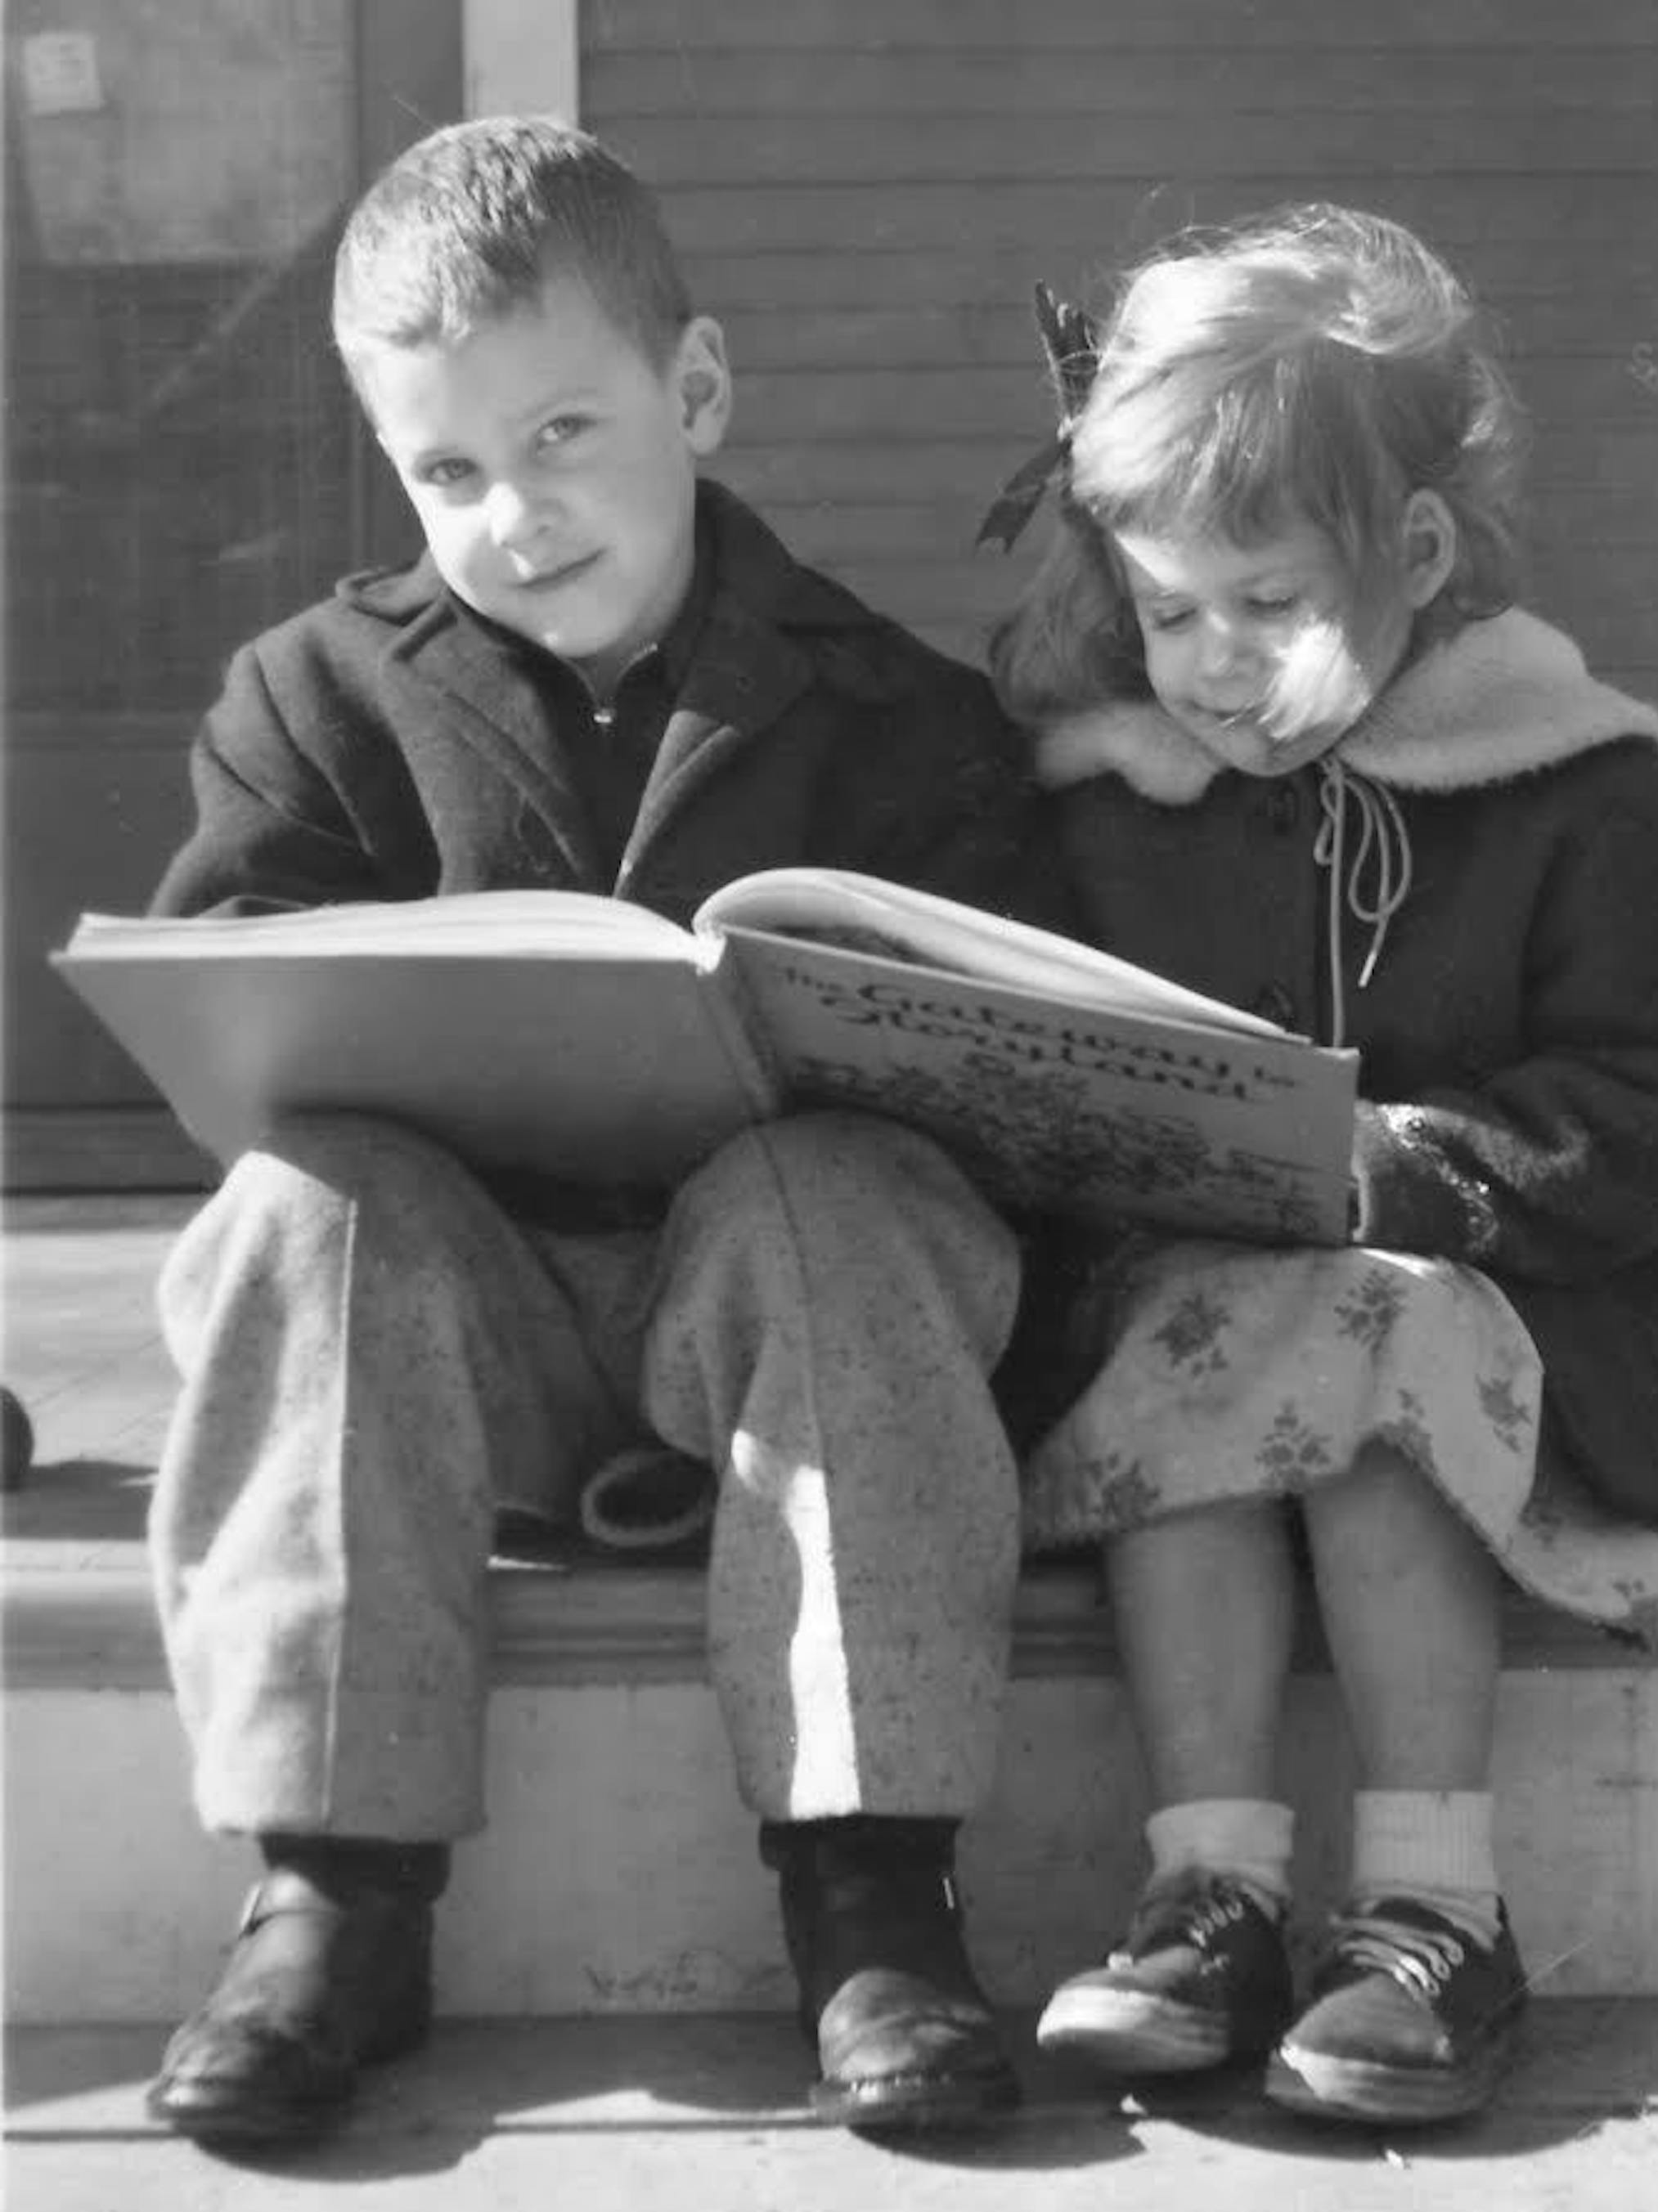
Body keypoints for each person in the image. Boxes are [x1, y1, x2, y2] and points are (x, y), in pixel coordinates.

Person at [142, 114, 1057, 2144]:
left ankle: (870, 1884)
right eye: (448, 472)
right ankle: (331, 1895)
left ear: (698, 390)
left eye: (564, 437)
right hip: (473, 1334)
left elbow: (1026, 1084)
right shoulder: (312, 698)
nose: (514, 515)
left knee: (844, 1196)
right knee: (309, 1204)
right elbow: (235, 1031)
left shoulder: (902, 716)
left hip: (799, 1328)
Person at [988, 202, 1658, 2126]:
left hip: (1555, 1322)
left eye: (1269, 605)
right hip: (1212, 1314)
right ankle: (1211, 1891)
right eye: (1168, 611)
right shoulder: (1120, 804)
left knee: (1360, 1332)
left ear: (1413, 553)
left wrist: (1405, 1172)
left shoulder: (1574, 783)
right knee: (1203, 1332)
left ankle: (1433, 1904)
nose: (1212, 668)